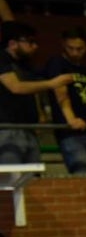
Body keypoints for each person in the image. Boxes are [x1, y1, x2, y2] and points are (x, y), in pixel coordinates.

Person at [0, 21, 73, 166]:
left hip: (28, 127)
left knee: (33, 174)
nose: (35, 46)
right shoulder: (2, 59)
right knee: (11, 174)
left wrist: (40, 113)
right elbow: (15, 87)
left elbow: (33, 90)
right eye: (30, 42)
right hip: (7, 128)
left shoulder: (25, 63)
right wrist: (52, 83)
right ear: (13, 44)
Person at [43, 26, 86, 174]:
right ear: (63, 44)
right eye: (71, 48)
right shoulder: (57, 63)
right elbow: (61, 93)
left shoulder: (85, 70)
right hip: (70, 131)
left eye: (79, 49)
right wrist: (71, 119)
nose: (75, 52)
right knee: (81, 175)